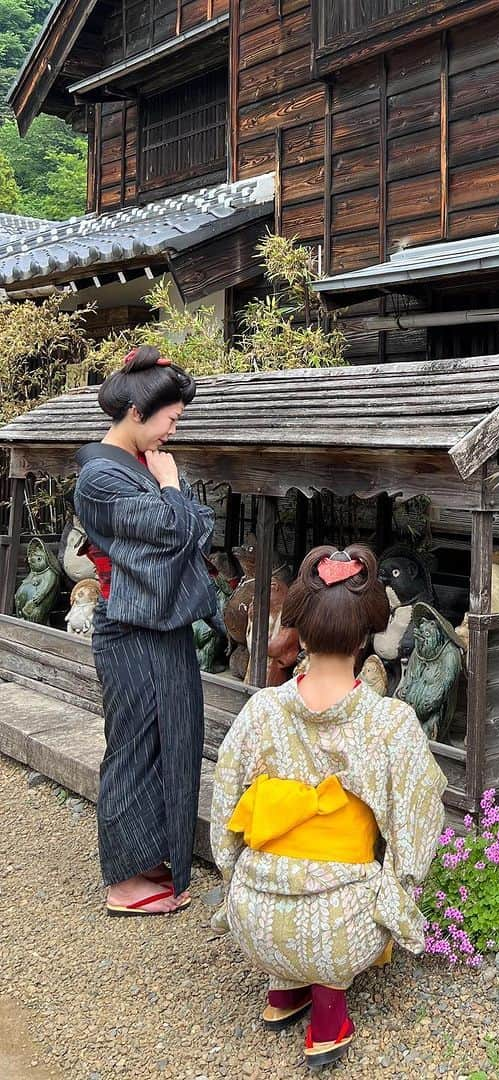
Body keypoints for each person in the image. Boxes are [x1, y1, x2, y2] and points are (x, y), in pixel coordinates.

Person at [210, 544, 446, 1069]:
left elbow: (225, 801)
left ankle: (282, 988)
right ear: (365, 636)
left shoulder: (263, 709)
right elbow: (417, 817)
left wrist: (233, 878)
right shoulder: (389, 723)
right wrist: (398, 894)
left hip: (253, 914)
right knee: (352, 890)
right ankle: (328, 1014)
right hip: (339, 923)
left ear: (300, 631)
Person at [73, 345, 218, 917]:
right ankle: (123, 879)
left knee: (175, 738)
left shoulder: (135, 469)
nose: (171, 433)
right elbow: (168, 529)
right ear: (137, 414)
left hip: (160, 624)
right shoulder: (99, 479)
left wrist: (174, 503)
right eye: (171, 420)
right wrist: (174, 487)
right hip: (129, 629)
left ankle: (157, 856)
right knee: (135, 744)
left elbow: (194, 531)